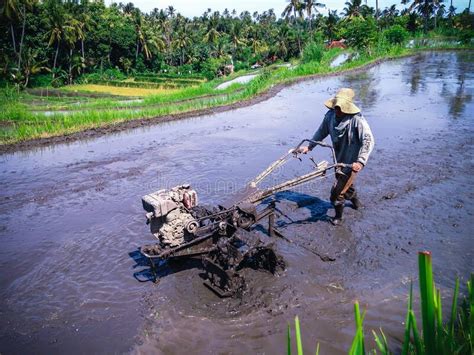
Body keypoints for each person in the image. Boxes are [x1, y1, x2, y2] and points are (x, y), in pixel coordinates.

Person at [298, 88, 374, 225]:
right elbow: (321, 132)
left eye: (340, 107)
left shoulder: (356, 120)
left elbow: (368, 140)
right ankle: (357, 203)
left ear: (347, 107)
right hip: (338, 159)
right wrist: (309, 146)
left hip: (352, 163)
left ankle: (338, 217)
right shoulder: (330, 116)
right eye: (336, 106)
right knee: (344, 184)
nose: (337, 110)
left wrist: (361, 161)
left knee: (336, 193)